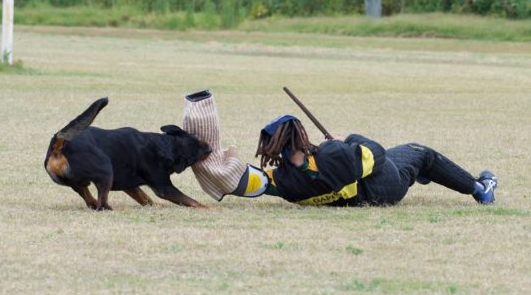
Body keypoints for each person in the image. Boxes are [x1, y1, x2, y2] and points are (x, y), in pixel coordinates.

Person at [183, 90, 497, 206]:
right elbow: (376, 153)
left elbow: (249, 182)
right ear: (300, 135)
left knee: (411, 163)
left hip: (358, 198)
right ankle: (480, 188)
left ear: (274, 150)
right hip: (383, 186)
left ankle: (422, 173)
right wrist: (348, 140)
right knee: (419, 152)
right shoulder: (334, 155)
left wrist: (205, 154)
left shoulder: (285, 182)